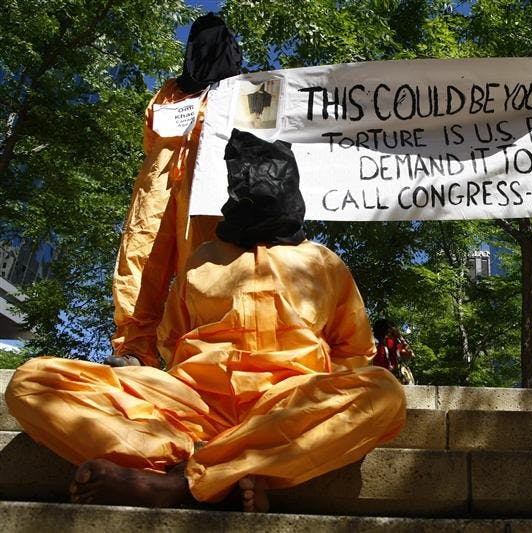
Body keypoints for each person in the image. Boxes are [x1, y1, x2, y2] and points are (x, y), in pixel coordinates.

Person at [5, 130, 407, 512]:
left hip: (287, 403)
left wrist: (304, 402)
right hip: (191, 405)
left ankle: (183, 479)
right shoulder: (201, 259)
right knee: (32, 382)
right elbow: (171, 342)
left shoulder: (324, 263)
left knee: (382, 394)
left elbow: (355, 353)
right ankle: (219, 465)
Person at [110, 13, 242, 368]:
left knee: (203, 263)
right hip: (156, 189)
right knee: (139, 260)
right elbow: (151, 138)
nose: (202, 50)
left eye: (211, 43)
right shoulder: (168, 91)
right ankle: (136, 349)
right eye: (196, 42)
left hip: (207, 190)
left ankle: (201, 353)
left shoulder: (237, 92)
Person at [373, 319, 415, 385]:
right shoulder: (373, 344)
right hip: (378, 381)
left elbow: (411, 354)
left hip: (392, 381)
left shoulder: (393, 343)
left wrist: (401, 338)